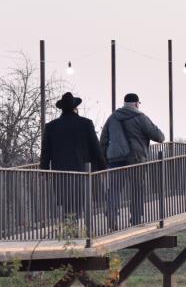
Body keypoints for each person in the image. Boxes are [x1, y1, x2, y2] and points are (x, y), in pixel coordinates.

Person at [100, 93, 165, 226]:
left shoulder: (112, 117)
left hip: (115, 158)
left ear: (124, 103)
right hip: (135, 158)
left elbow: (103, 140)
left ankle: (112, 213)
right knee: (136, 188)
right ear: (136, 104)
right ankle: (135, 218)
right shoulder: (140, 117)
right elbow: (159, 137)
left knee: (114, 188)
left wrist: (104, 160)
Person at [40, 92, 106, 215]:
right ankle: (79, 229)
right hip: (81, 170)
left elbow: (45, 152)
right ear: (75, 108)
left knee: (66, 203)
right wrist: (103, 167)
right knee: (79, 201)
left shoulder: (51, 127)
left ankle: (71, 227)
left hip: (59, 172)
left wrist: (43, 170)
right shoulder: (86, 123)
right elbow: (95, 147)